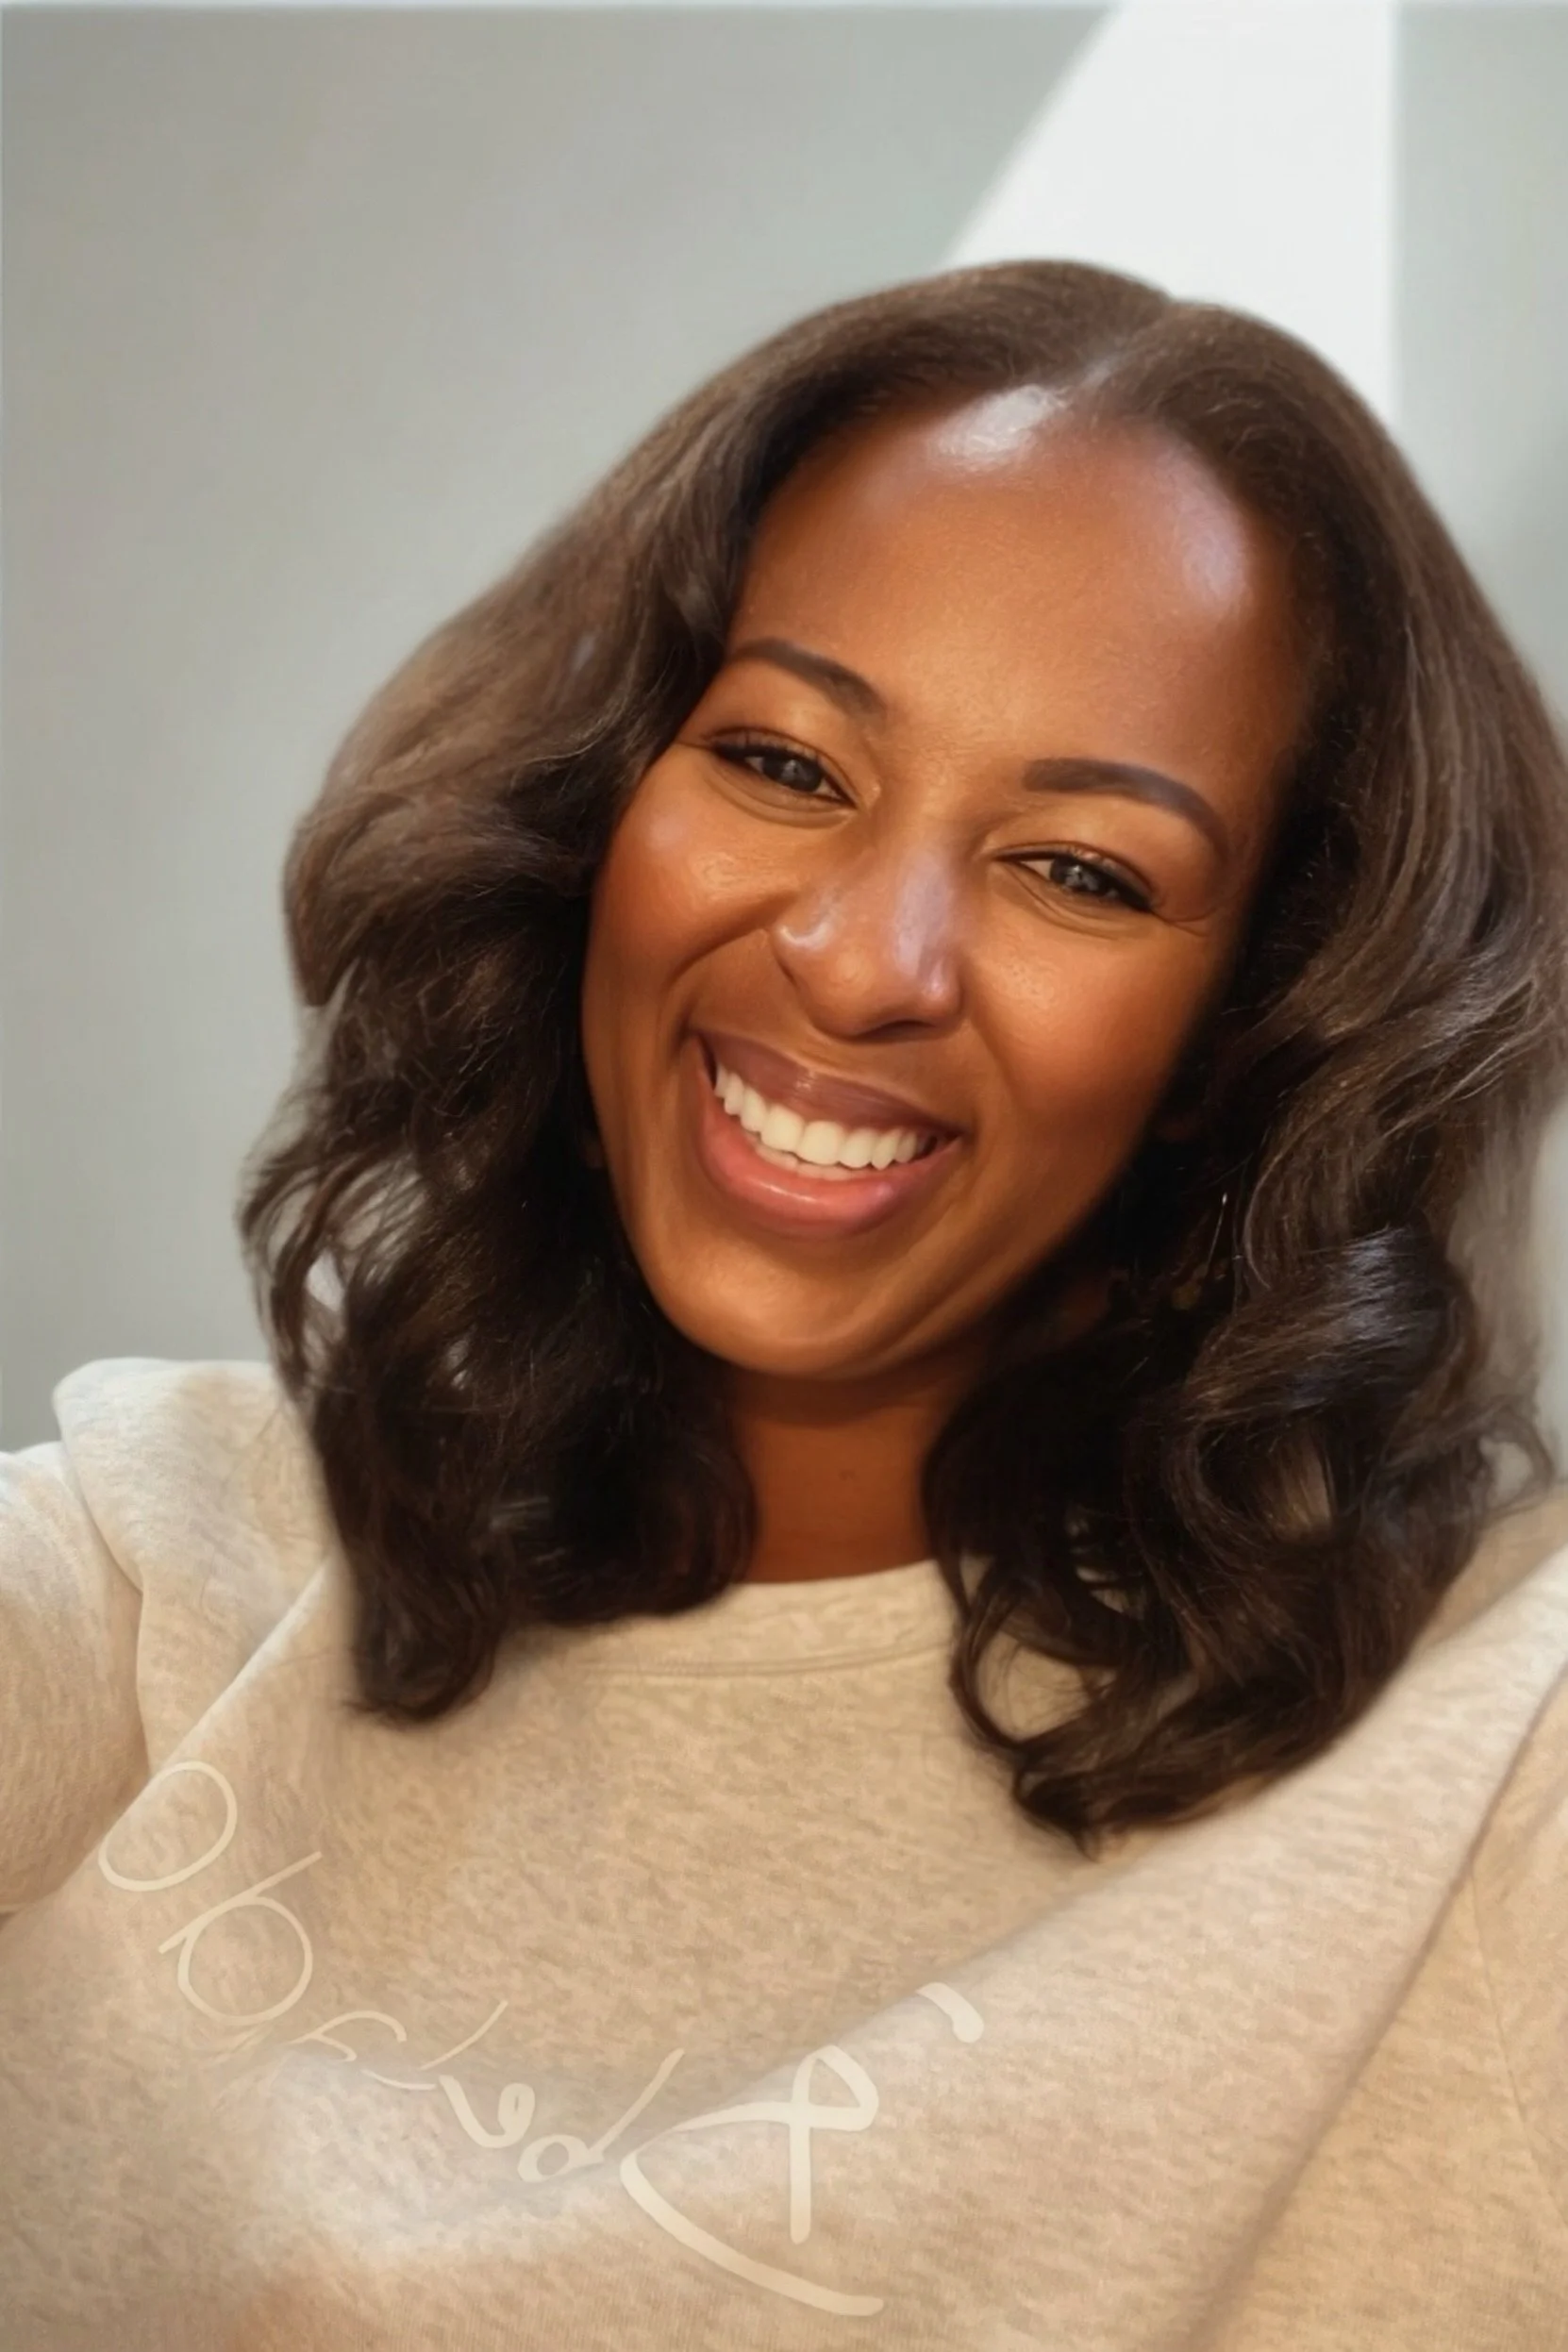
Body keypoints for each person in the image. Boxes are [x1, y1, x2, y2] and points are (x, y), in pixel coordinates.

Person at [3, 259, 1567, 2351]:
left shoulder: (1504, 1747)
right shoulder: (146, 1578)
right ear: (605, 806)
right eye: (786, 762)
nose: (859, 955)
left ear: (1257, 1022)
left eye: (1080, 870)